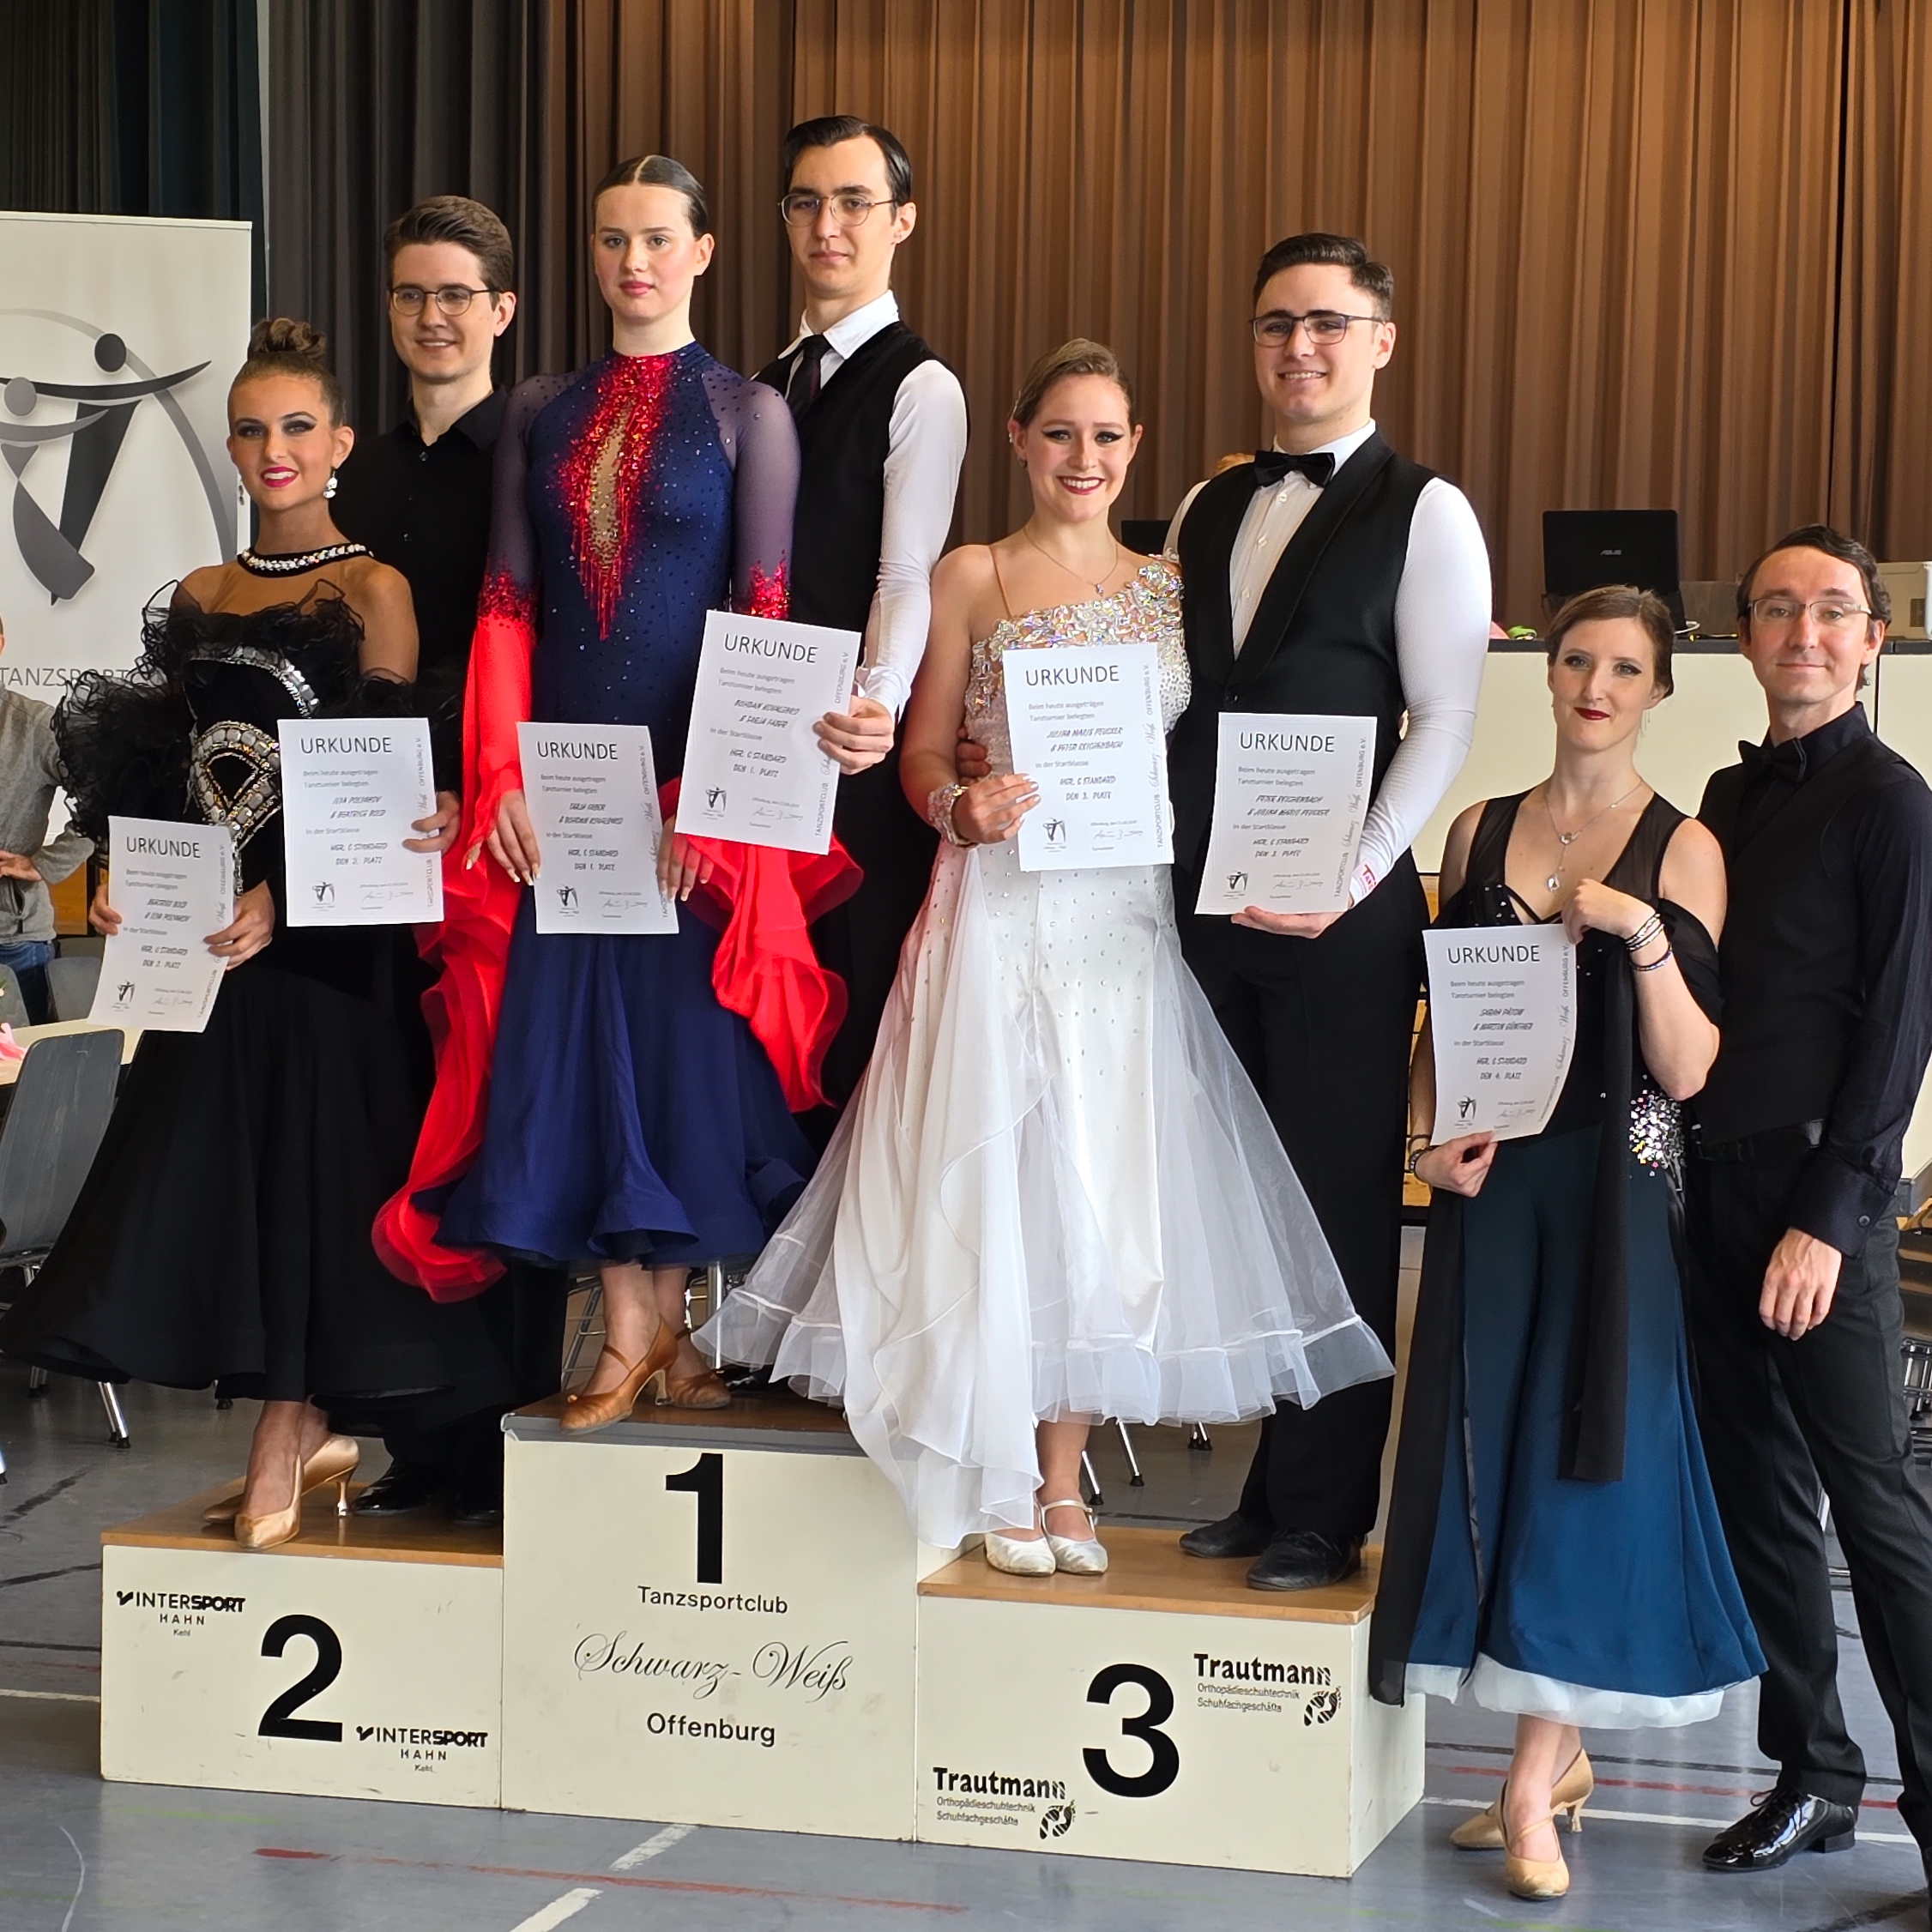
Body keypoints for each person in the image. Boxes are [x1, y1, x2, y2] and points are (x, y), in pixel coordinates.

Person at [702, 340, 1392, 1569]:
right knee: (1000, 1181)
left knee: (1099, 1194)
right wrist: (955, 806)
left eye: (1107, 435)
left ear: (1135, 449)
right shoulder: (971, 574)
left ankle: (1065, 1482)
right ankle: (998, 1472)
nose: (1085, 457)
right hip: (1000, 909)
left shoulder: (1175, 587)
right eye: (1061, 432)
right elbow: (923, 752)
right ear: (1018, 439)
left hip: (1123, 924)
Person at [0, 319, 504, 1549]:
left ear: (339, 444)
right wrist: (125, 881)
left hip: (324, 944)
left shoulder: (374, 590)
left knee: (315, 1185)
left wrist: (285, 898)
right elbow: (164, 771)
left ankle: (288, 1426)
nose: (273, 449)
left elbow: (377, 777)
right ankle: (298, 1420)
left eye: (297, 427)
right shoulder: (200, 596)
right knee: (225, 1183)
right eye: (250, 429)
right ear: (228, 447)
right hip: (208, 945)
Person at [376, 156, 854, 1432]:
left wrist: (710, 794)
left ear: (702, 252)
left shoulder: (751, 412)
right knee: (582, 1049)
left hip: (686, 794)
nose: (632, 261)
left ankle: (651, 1332)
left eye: (654, 238)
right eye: (609, 239)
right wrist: (499, 776)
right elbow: (504, 605)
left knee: (675, 1049)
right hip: (565, 794)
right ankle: (644, 1331)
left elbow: (764, 616)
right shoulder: (540, 405)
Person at [1368, 586, 1762, 1902]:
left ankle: (1530, 1784)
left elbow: (1690, 1070)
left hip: (1617, 1195)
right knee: (1489, 1446)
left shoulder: (1683, 847)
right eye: (1578, 660)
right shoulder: (1478, 828)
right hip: (1498, 1186)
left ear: (1660, 689)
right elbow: (1442, 1026)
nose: (1597, 686)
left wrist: (1638, 931)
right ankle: (1561, 1754)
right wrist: (1425, 1144)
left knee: (1580, 1458)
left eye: (1626, 669)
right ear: (1547, 675)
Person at [1165, 232, 1493, 1592]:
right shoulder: (1205, 504)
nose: (1299, 347)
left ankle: (1326, 1508)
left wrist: (1350, 874)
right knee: (1239, 1205)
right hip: (1202, 905)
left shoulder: (1430, 512)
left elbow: (1446, 721)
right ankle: (1269, 1479)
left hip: (1341, 923)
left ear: (1381, 342)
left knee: (1337, 1206)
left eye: (1327, 323)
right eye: (1275, 325)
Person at [1681, 525, 1932, 1902]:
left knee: (1877, 1517)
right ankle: (1813, 1775)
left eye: (1832, 610)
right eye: (1777, 609)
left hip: (1817, 1209)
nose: (1803, 632)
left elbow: (1897, 1032)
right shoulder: (1724, 799)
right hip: (1711, 1190)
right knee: (1761, 1506)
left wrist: (1830, 1219)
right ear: (1746, 638)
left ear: (1872, 639)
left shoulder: (1894, 803)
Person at [331, 195, 565, 1528]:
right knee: (395, 1126)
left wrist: (480, 782)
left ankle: (510, 1440)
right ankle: (423, 1439)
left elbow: (544, 649)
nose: (433, 316)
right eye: (413, 293)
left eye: (457, 295)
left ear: (503, 311)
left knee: (500, 1129)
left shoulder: (532, 463)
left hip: (488, 839)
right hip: (369, 845)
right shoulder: (353, 477)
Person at [756, 115, 969, 1132]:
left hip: (854, 749)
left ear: (901, 221)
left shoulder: (920, 384)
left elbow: (904, 571)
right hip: (758, 740)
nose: (827, 225)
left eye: (853, 202)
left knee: (847, 1016)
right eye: (806, 202)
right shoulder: (762, 383)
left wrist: (877, 702)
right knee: (762, 1011)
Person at [0, 613, 93, 1022]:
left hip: (11, 941)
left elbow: (106, 800)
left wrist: (44, 864)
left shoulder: (35, 725)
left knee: (17, 1062)